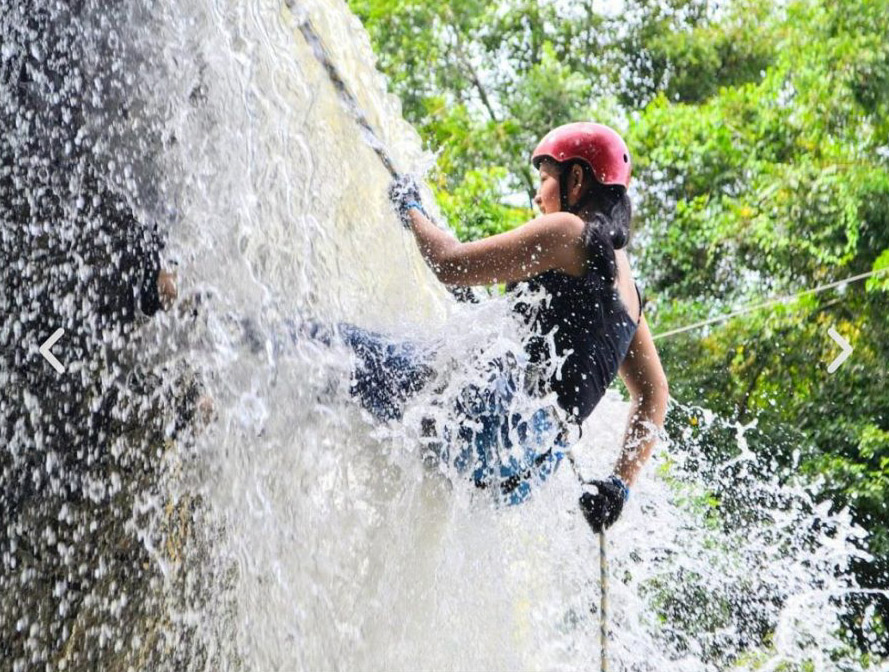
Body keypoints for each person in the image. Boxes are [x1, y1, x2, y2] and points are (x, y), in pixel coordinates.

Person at [327, 122, 668, 531]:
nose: (537, 196)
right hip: (521, 469)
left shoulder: (568, 231)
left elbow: (450, 264)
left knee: (324, 350)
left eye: (544, 179)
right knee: (359, 403)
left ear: (575, 179)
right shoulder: (629, 289)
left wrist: (411, 209)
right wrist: (618, 489)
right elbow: (654, 394)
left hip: (491, 416)